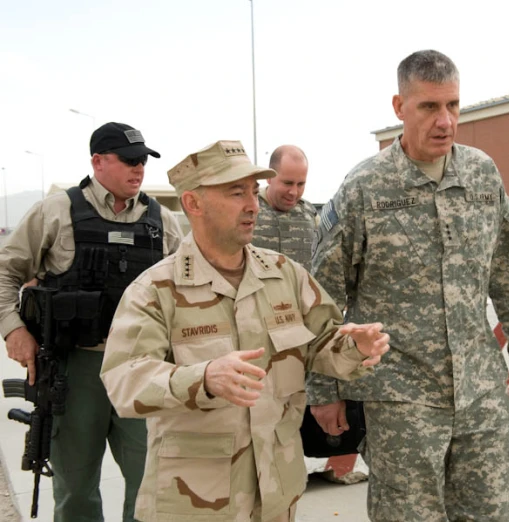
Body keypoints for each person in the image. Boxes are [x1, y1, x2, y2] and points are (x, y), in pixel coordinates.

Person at [99, 140, 390, 522]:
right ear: (193, 204)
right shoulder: (156, 290)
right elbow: (124, 380)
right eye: (236, 192)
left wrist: (354, 346)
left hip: (275, 495)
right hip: (197, 502)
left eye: (253, 191)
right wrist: (202, 378)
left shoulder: (285, 274)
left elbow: (321, 342)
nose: (252, 204)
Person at [308, 50, 509, 522]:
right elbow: (323, 297)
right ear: (399, 107)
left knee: (495, 512)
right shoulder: (364, 189)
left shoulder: (481, 174)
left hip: (479, 391)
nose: (446, 121)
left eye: (453, 106)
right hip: (400, 397)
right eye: (429, 107)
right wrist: (323, 389)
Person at [0, 122, 183, 521]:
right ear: (98, 162)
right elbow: (6, 270)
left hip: (143, 368)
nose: (139, 169)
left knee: (151, 484)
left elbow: (188, 288)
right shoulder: (56, 212)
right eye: (130, 160)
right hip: (77, 369)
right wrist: (14, 329)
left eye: (143, 162)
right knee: (76, 491)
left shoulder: (163, 222)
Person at [251, 145, 317, 270]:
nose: (294, 192)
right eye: (288, 183)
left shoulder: (311, 217)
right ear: (269, 177)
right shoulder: (248, 209)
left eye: (300, 184)